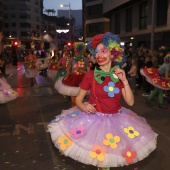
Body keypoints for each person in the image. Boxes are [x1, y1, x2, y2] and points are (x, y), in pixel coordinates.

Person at [48, 32, 157, 170]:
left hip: (117, 122)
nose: (99, 55)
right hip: (94, 122)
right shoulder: (90, 75)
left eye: (104, 51)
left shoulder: (119, 75)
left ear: (113, 54)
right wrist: (84, 107)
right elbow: (79, 100)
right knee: (101, 160)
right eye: (97, 52)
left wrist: (124, 80)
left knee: (109, 160)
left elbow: (130, 102)